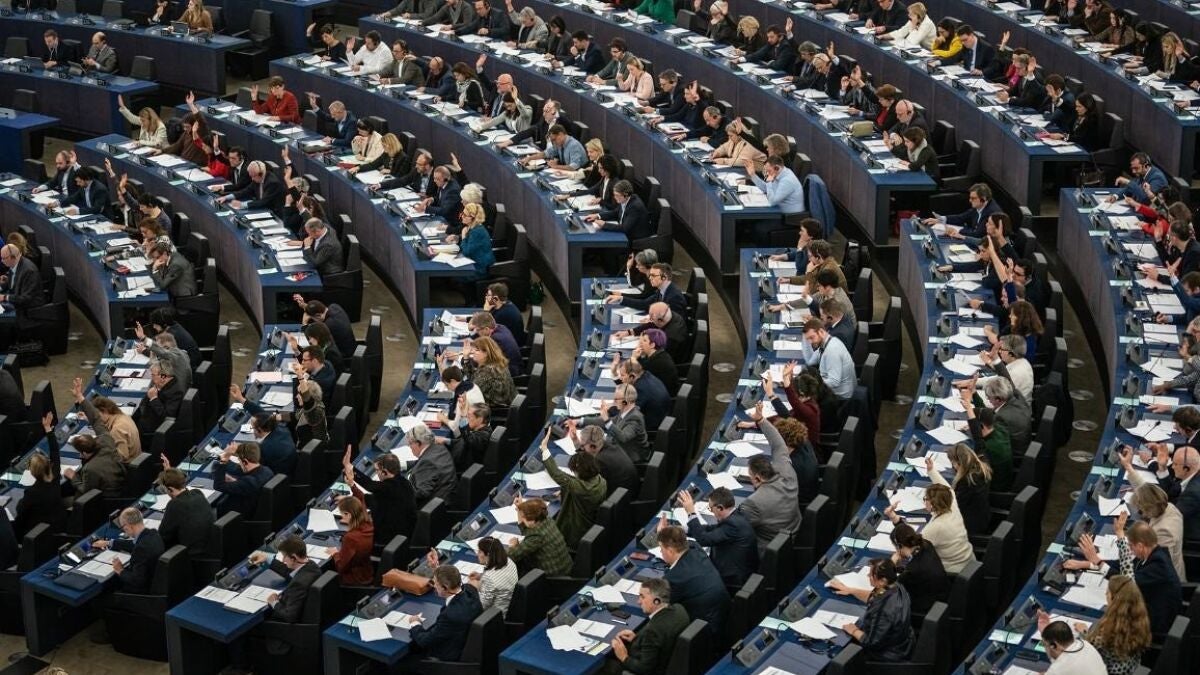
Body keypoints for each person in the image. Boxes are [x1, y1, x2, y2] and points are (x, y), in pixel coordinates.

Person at [832, 523, 948, 617]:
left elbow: (879, 597)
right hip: (941, 599)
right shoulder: (926, 544)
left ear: (899, 546)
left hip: (920, 612)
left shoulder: (912, 572)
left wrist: (851, 590)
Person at [889, 466, 975, 574]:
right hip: (969, 563)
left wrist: (893, 560)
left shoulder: (936, 527)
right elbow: (947, 488)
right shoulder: (952, 505)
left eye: (925, 499)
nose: (924, 502)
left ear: (933, 505)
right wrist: (931, 470)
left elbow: (912, 546)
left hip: (953, 572)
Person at [740, 411, 803, 553]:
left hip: (769, 549)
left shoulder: (753, 502)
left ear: (758, 478)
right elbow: (779, 444)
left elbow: (736, 528)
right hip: (793, 533)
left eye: (751, 477)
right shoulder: (788, 472)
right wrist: (761, 420)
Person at [601, 578, 690, 675]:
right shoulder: (679, 609)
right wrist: (636, 638)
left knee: (606, 666)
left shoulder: (653, 631)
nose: (638, 602)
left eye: (642, 597)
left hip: (654, 670)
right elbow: (659, 641)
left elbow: (644, 669)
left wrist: (623, 657)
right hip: (669, 661)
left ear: (656, 601)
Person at [678, 486, 758, 593]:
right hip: (740, 570)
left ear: (720, 508)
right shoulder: (737, 516)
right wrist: (683, 529)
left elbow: (703, 540)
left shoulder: (732, 525)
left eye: (711, 508)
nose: (711, 511)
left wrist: (691, 513)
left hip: (732, 582)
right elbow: (712, 529)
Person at [656, 525, 730, 636]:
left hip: (704, 630)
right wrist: (665, 533)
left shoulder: (674, 579)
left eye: (661, 549)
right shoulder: (696, 549)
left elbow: (659, 607)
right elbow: (690, 542)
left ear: (670, 551)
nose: (660, 552)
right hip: (724, 614)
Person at [1123, 458, 1187, 580]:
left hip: (1164, 581)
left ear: (1148, 509)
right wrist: (1128, 467)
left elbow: (1155, 564)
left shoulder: (1164, 532)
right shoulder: (1168, 507)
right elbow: (1146, 491)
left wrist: (1124, 542)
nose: (1141, 513)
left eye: (1141, 510)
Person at [840, 558, 914, 660]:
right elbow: (873, 597)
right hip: (903, 643)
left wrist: (854, 630)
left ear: (882, 581)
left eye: (871, 575)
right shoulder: (896, 586)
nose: (868, 576)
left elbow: (871, 642)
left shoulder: (884, 609)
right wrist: (851, 590)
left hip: (887, 654)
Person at [540, 435, 606, 548]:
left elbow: (557, 474)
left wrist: (544, 448)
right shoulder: (600, 479)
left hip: (575, 533)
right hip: (589, 523)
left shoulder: (581, 488)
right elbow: (577, 478)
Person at [1077, 575, 1152, 674]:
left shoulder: (1109, 630)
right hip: (1131, 668)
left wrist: (1084, 632)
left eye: (1108, 592)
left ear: (1115, 598)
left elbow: (1089, 651)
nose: (1105, 594)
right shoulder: (1140, 618)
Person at [342, 448, 416, 547]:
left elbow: (370, 485)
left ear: (385, 472)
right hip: (405, 534)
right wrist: (351, 497)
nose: (376, 473)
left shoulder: (387, 487)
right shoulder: (404, 482)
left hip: (387, 539)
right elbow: (374, 499)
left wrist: (350, 468)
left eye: (377, 470)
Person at [406, 565, 483, 660]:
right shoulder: (471, 592)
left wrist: (415, 623)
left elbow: (424, 641)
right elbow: (466, 583)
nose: (434, 586)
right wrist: (438, 570)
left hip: (449, 655)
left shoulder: (449, 616)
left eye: (436, 583)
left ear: (444, 588)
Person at [14, 413, 67, 538]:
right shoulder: (55, 474)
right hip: (59, 524)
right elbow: (55, 451)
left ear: (33, 473)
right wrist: (48, 428)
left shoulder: (32, 492)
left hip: (39, 533)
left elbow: (19, 510)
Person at [248, 536, 321, 622]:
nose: (283, 560)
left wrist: (274, 603)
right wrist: (267, 558)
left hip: (290, 625)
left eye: (284, 556)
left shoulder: (298, 584)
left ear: (294, 557)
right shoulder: (312, 565)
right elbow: (289, 572)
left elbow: (289, 616)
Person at [92, 508, 164, 593]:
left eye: (123, 527)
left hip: (141, 592)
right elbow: (134, 544)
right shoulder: (153, 534)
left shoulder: (141, 549)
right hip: (157, 582)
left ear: (128, 526)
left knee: (108, 589)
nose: (124, 531)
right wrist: (109, 543)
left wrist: (120, 570)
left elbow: (138, 581)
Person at [73, 379, 140, 462]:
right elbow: (99, 422)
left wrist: (99, 450)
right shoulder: (122, 416)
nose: (97, 416)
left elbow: (122, 457)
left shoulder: (117, 429)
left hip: (127, 465)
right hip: (135, 458)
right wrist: (88, 417)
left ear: (104, 411)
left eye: (98, 414)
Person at [585, 382, 650, 462]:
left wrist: (606, 419)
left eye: (616, 399)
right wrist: (581, 421)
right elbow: (608, 421)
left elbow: (623, 437)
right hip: (621, 448)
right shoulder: (625, 411)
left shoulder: (635, 418)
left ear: (625, 401)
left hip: (633, 457)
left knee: (592, 454)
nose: (614, 401)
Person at [507, 497, 572, 575]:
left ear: (532, 520)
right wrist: (520, 509)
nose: (522, 519)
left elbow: (512, 556)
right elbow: (526, 529)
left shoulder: (536, 537)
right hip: (565, 567)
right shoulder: (547, 520)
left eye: (523, 517)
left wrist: (513, 546)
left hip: (552, 575)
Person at [963, 392, 1013, 492]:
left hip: (994, 488)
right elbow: (986, 413)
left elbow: (978, 441)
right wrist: (974, 394)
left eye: (973, 427)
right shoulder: (999, 427)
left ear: (981, 426)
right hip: (1003, 479)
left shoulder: (988, 447)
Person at [572, 422, 639, 496]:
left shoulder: (600, 460)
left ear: (593, 446)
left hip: (618, 498)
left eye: (582, 446)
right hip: (628, 490)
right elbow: (587, 454)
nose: (582, 448)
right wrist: (575, 440)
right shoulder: (610, 445)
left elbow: (590, 486)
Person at [212, 442, 276, 517]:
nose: (239, 464)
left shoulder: (248, 482)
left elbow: (218, 485)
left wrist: (224, 459)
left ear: (245, 461)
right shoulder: (267, 471)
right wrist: (235, 481)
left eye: (239, 461)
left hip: (234, 516)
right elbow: (249, 486)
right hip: (254, 505)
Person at [798, 318, 855, 400]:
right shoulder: (826, 342)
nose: (810, 342)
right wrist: (805, 338)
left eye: (812, 337)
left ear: (821, 332)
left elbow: (834, 382)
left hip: (839, 397)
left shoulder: (832, 350)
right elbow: (810, 361)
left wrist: (810, 384)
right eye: (808, 339)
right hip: (830, 387)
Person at [606, 261, 687, 318]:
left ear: (664, 277)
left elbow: (674, 324)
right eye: (650, 275)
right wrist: (621, 299)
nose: (650, 278)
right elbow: (644, 304)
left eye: (653, 275)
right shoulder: (661, 290)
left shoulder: (674, 297)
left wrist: (652, 322)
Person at [945, 444, 992, 537]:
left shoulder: (967, 483)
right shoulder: (981, 467)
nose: (952, 466)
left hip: (970, 527)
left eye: (953, 463)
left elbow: (953, 506)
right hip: (982, 517)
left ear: (960, 463)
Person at [463, 537, 518, 614]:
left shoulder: (489, 578)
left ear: (488, 555)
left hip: (499, 615)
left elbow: (482, 606)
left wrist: (475, 588)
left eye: (480, 552)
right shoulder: (508, 560)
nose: (477, 554)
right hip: (512, 603)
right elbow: (498, 579)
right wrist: (481, 576)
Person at [326, 497, 374, 585]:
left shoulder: (350, 538)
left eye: (342, 514)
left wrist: (335, 554)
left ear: (348, 515)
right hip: (367, 572)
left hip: (355, 579)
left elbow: (341, 567)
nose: (341, 517)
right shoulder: (369, 525)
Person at [405, 423, 457, 504]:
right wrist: (405, 465)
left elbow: (422, 493)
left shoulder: (426, 463)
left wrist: (402, 490)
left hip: (434, 505)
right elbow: (427, 461)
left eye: (410, 444)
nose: (409, 447)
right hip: (448, 494)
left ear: (418, 443)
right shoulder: (439, 447)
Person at [133, 359, 185, 437]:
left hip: (151, 432)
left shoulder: (176, 393)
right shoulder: (163, 384)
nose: (151, 378)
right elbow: (143, 405)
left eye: (153, 375)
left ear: (163, 376)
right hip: (145, 420)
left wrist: (154, 398)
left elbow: (167, 417)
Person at [461, 336, 516, 407]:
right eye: (473, 349)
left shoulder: (489, 371)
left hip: (494, 409)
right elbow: (473, 378)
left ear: (486, 353)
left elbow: (472, 391)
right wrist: (466, 357)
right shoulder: (495, 363)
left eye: (477, 350)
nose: (472, 352)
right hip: (503, 404)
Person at [1039, 620, 1106, 673]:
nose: (1045, 648)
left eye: (1044, 644)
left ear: (1054, 646)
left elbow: (1061, 666)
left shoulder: (1056, 670)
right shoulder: (1085, 644)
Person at [455, 203, 495, 281]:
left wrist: (463, 236)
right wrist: (458, 237)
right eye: (462, 213)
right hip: (473, 263)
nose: (462, 216)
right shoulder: (475, 228)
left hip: (478, 270)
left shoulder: (477, 231)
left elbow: (466, 252)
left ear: (473, 218)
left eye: (465, 215)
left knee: (453, 277)